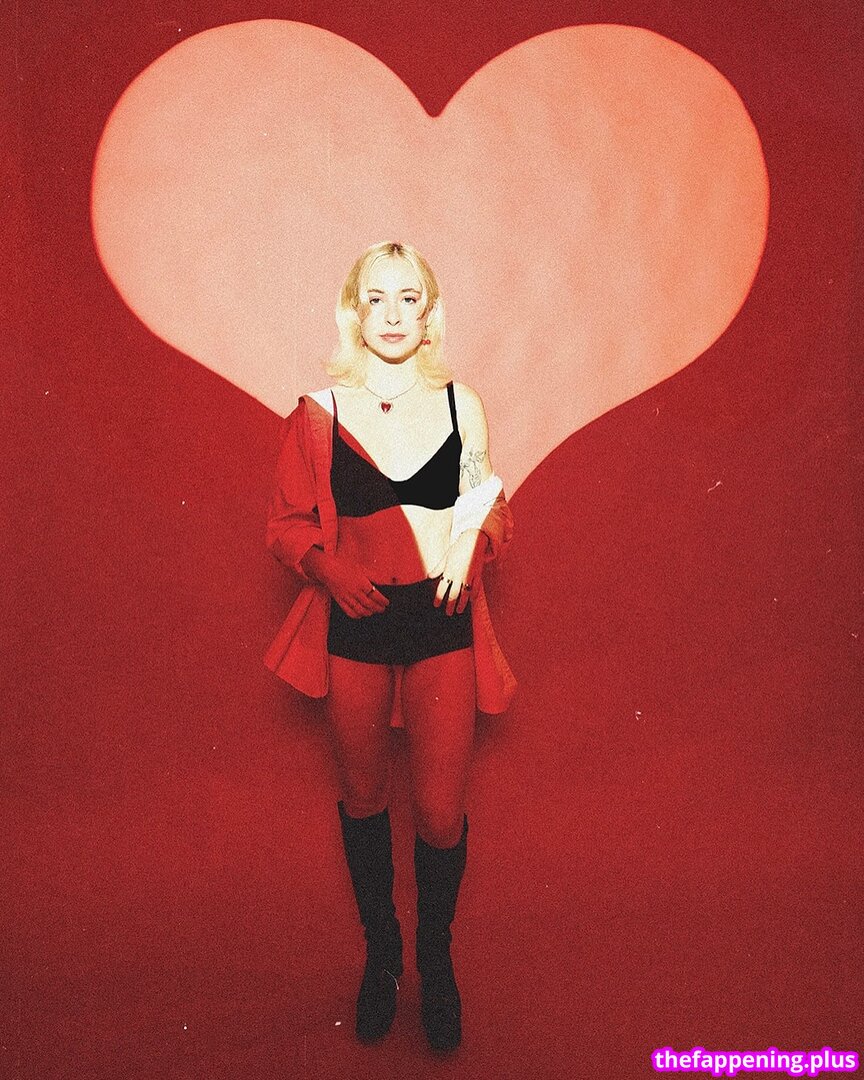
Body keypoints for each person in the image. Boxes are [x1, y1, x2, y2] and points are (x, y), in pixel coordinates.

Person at [264, 241, 516, 1053]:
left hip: (441, 623)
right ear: (354, 310)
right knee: (364, 795)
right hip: (356, 624)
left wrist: (473, 546)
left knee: (440, 814)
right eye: (377, 298)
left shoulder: (462, 404)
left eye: (410, 298)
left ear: (430, 312)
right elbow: (285, 526)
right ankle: (383, 957)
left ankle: (436, 962)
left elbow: (487, 502)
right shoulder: (317, 413)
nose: (394, 314)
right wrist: (328, 568)